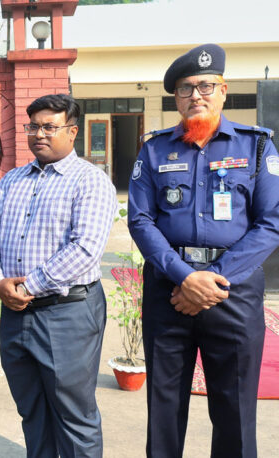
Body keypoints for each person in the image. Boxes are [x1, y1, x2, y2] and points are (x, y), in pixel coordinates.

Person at [128, 43, 279, 458]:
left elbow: (271, 222)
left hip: (233, 292)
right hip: (169, 293)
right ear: (175, 98)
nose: (196, 95)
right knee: (163, 408)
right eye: (185, 89)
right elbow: (140, 220)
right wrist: (185, 278)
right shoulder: (154, 149)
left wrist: (212, 281)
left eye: (205, 86)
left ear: (223, 90)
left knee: (234, 410)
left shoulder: (258, 147)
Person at [0, 94, 117, 457]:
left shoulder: (90, 181)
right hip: (16, 313)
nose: (39, 134)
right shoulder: (13, 180)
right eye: (33, 126)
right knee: (32, 412)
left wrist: (28, 286)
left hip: (66, 313)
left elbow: (85, 248)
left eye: (49, 127)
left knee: (74, 417)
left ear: (72, 132)